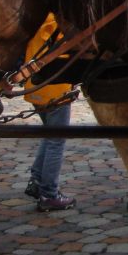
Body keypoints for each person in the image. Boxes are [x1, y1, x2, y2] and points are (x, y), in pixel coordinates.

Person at [22, 15, 76, 212]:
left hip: (36, 88)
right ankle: (49, 194)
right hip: (56, 89)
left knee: (50, 134)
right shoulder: (60, 24)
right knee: (57, 140)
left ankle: (37, 180)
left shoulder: (39, 20)